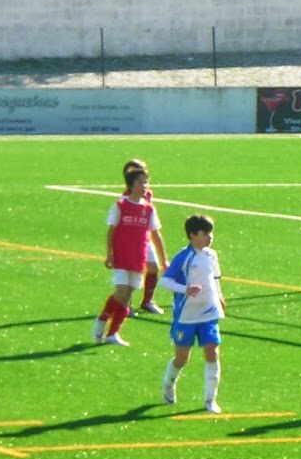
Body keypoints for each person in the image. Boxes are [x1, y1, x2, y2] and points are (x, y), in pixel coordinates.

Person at [159, 214, 226, 414]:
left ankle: (210, 400)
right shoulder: (184, 257)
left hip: (209, 313)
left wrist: (220, 296)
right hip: (187, 316)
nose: (210, 237)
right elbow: (165, 281)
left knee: (212, 351)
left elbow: (215, 278)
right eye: (205, 233)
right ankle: (169, 384)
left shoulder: (212, 255)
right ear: (192, 235)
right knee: (182, 359)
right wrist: (185, 290)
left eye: (210, 232)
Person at [92, 163, 162, 347]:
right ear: (131, 185)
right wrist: (109, 254)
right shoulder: (120, 206)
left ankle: (113, 333)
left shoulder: (149, 209)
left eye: (146, 182)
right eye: (140, 182)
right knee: (121, 293)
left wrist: (163, 259)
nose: (144, 186)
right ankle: (102, 319)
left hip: (138, 258)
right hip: (122, 257)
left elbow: (155, 233)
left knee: (127, 296)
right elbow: (111, 231)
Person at [121, 159, 169, 315]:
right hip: (130, 239)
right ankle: (126, 304)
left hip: (144, 237)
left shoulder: (148, 194)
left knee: (153, 267)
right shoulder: (126, 198)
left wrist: (164, 257)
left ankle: (147, 301)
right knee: (131, 270)